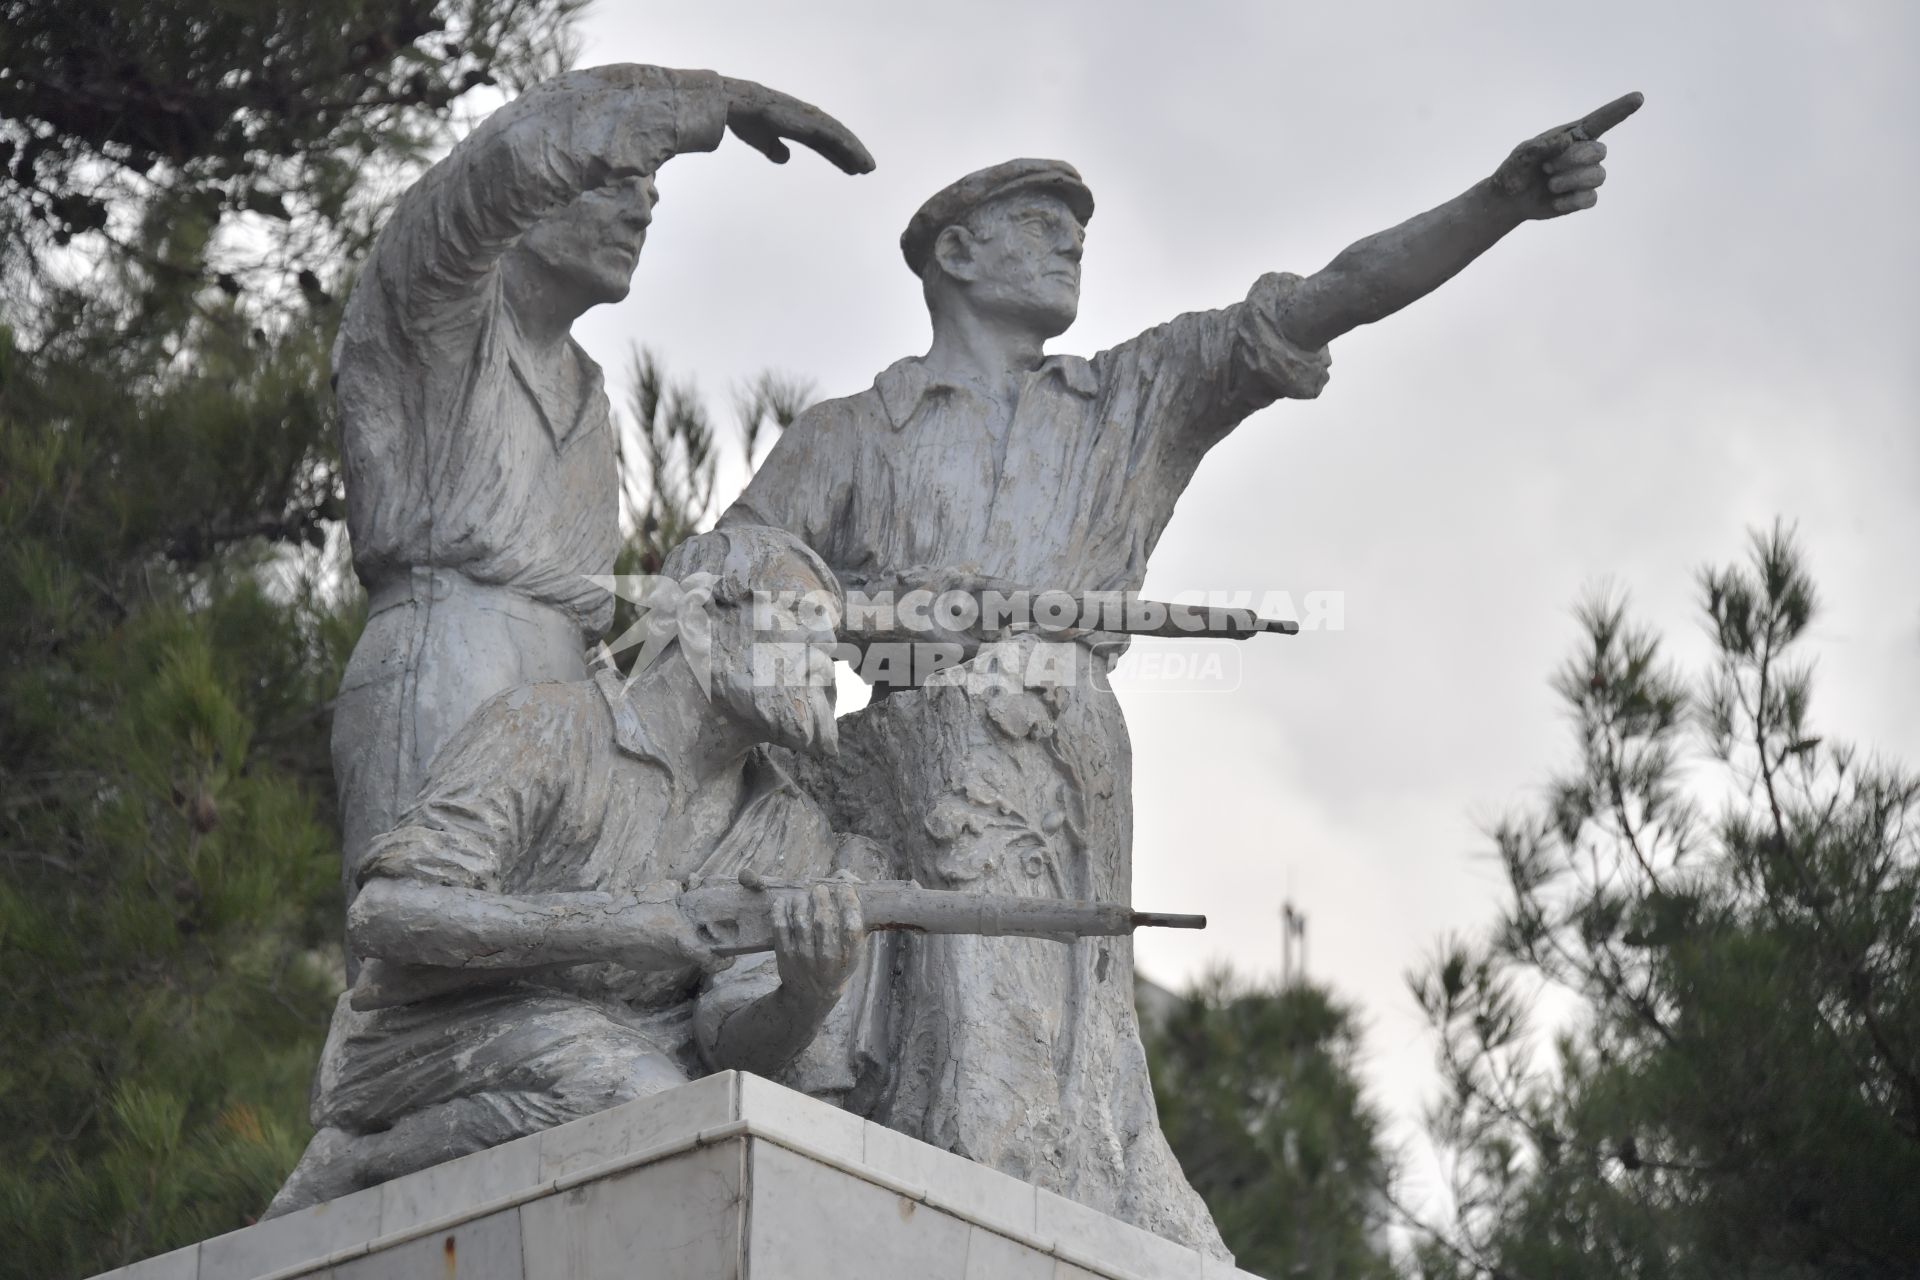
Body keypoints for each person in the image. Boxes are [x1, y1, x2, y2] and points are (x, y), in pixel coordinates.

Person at [723, 96, 1642, 1255]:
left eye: (1079, 225)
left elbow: (1332, 294)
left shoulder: (1130, 397)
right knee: (966, 1051)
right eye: (1039, 219)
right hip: (912, 756)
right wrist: (871, 614)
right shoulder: (852, 433)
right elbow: (726, 584)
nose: (1072, 240)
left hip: (1073, 747)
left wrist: (1498, 203)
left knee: (1079, 1039)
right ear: (954, 252)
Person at [329, 65, 873, 945]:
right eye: (618, 179)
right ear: (537, 194)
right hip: (447, 659)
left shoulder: (586, 389)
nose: (643, 209)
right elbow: (486, 177)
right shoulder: (437, 316)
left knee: (548, 974)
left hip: (567, 689)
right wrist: (686, 109)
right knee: (415, 957)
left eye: (652, 190)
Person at [268, 526, 868, 1214]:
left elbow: (723, 1040)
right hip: (439, 1038)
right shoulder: (548, 726)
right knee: (648, 1102)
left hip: (643, 1060)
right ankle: (366, 1161)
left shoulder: (791, 830)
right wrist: (616, 928)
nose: (830, 656)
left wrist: (805, 995)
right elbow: (386, 913)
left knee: (684, 1110)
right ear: (702, 620)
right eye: (801, 621)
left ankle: (375, 1162)